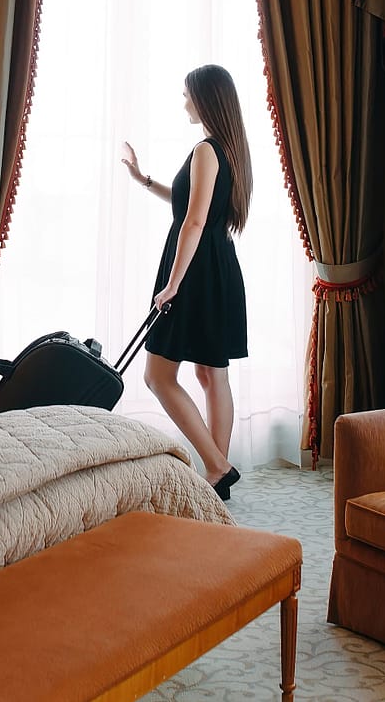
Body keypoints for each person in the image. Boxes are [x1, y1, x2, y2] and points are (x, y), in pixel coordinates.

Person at [120, 63, 251, 501]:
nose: (184, 102)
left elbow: (193, 221)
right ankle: (220, 475)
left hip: (194, 271)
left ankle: (217, 466)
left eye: (187, 94)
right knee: (214, 375)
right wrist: (144, 181)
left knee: (158, 375)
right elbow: (190, 206)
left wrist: (173, 282)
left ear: (206, 98)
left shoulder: (204, 151)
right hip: (219, 267)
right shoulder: (228, 151)